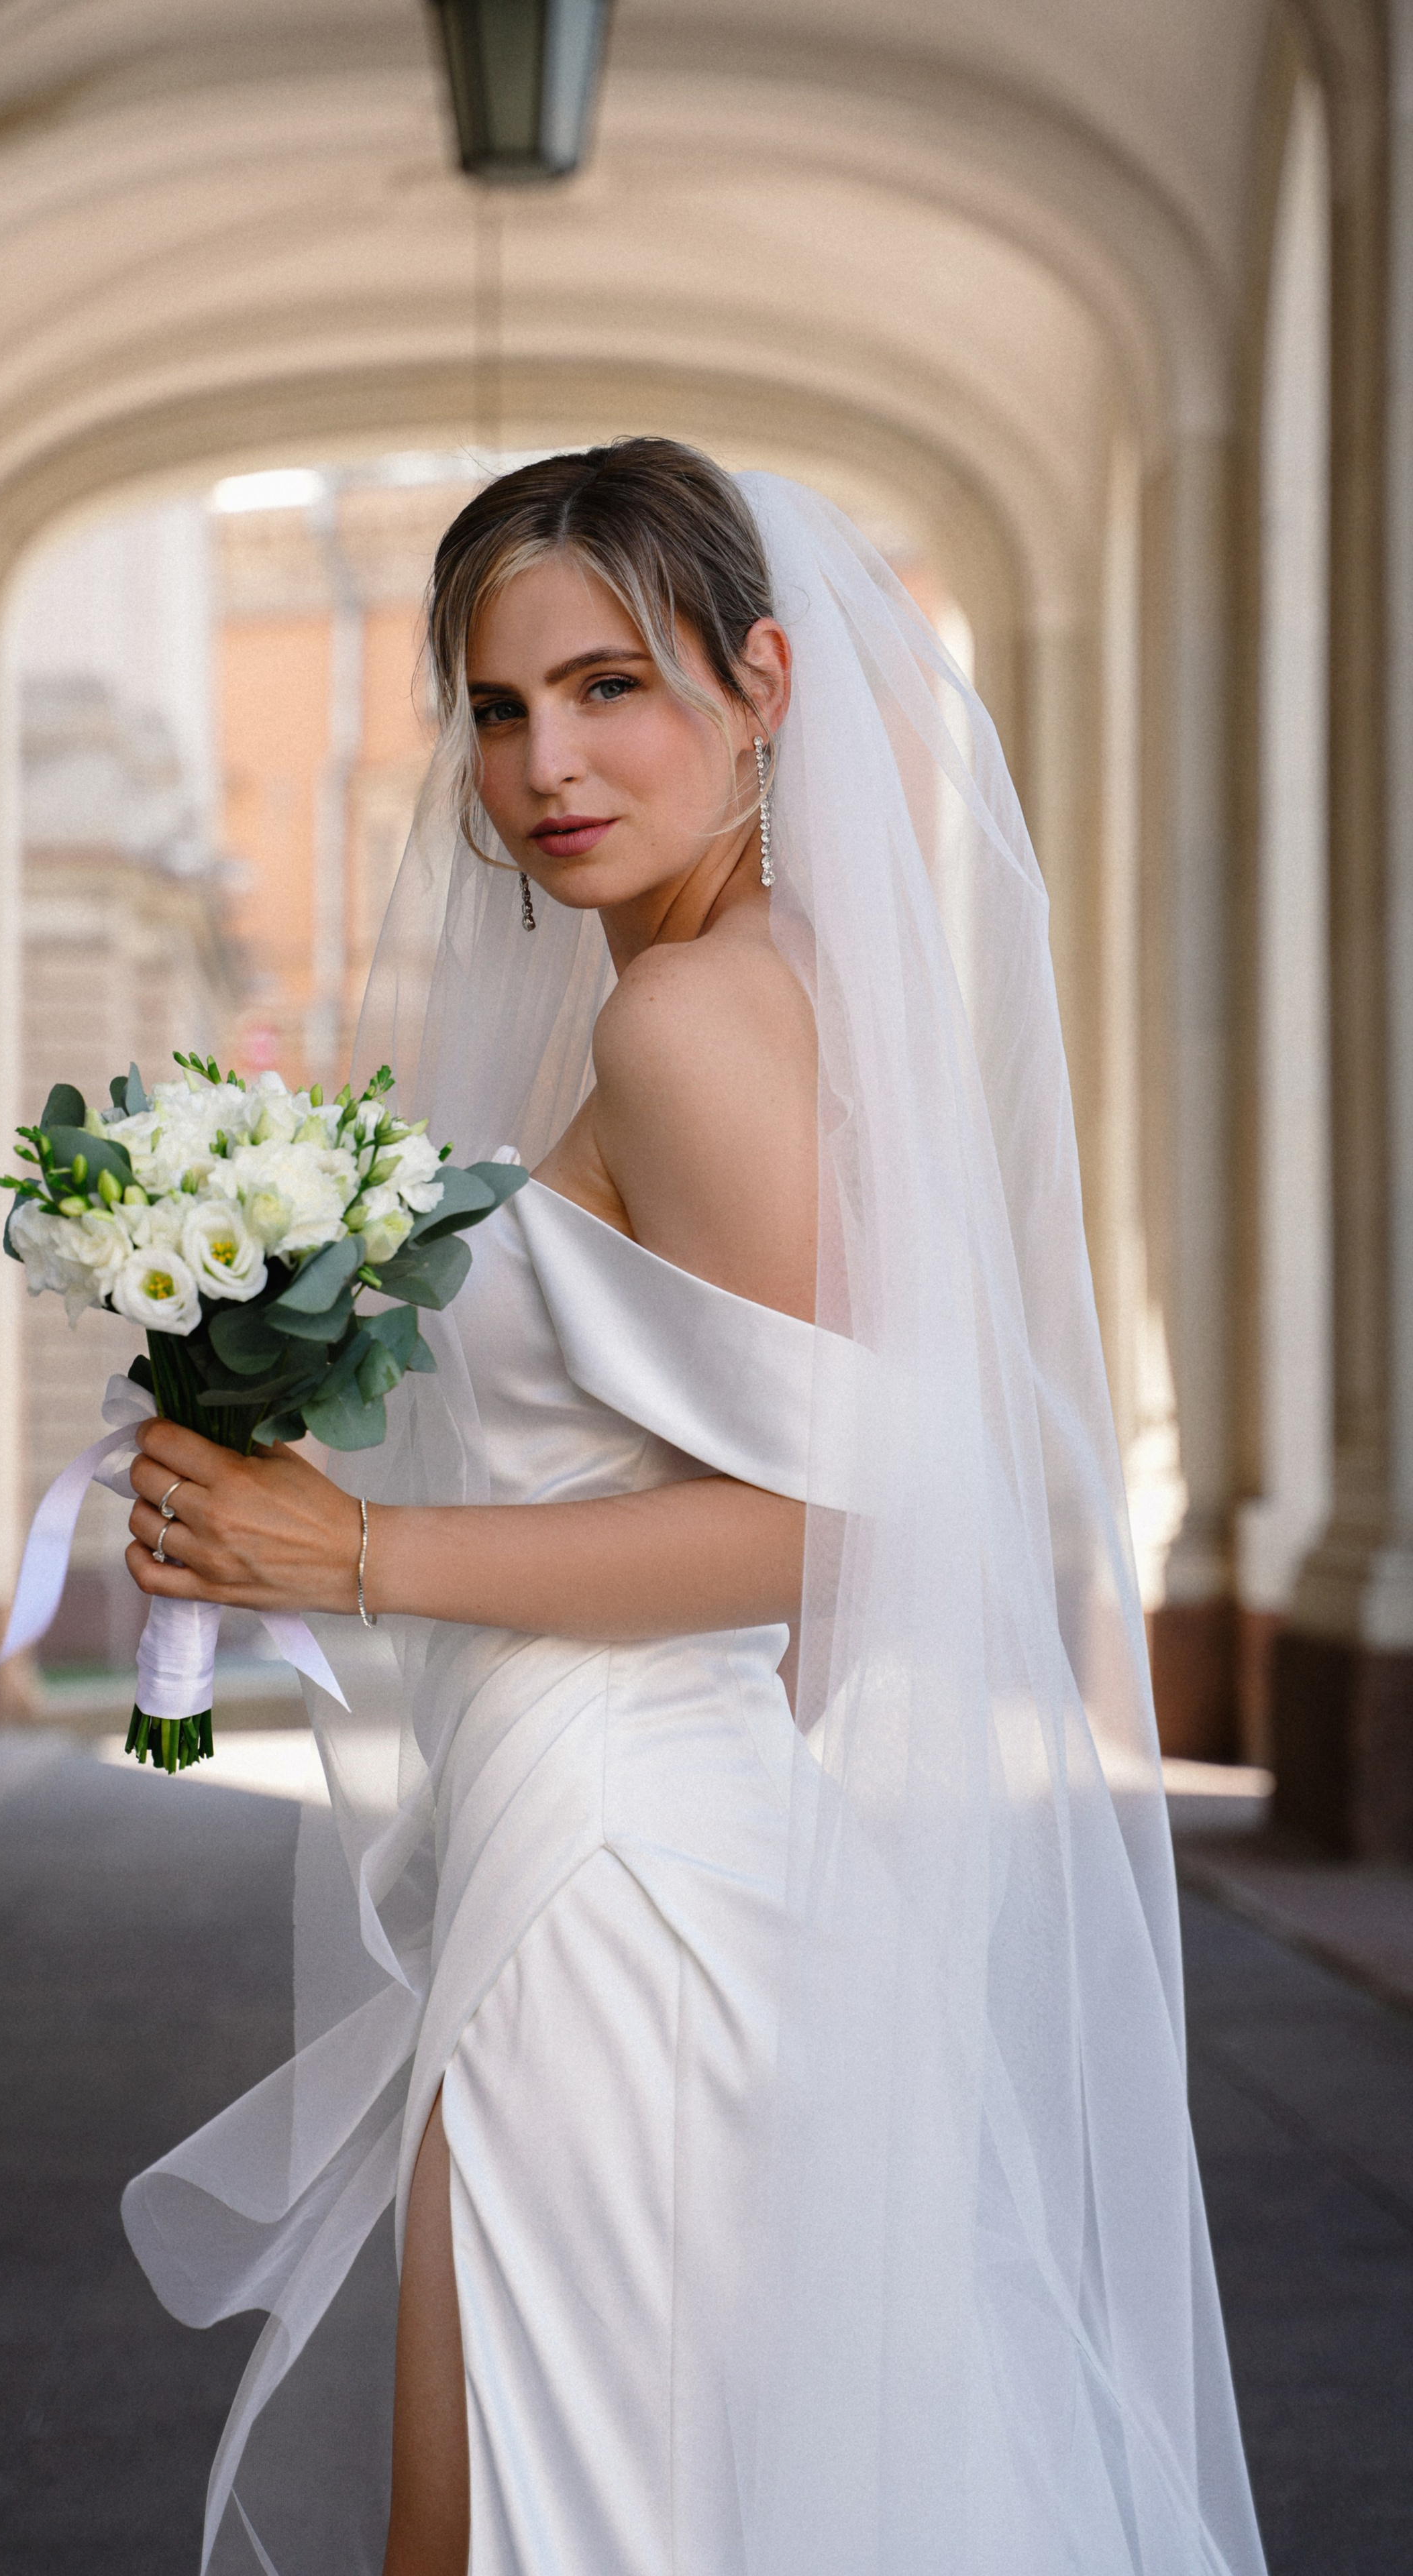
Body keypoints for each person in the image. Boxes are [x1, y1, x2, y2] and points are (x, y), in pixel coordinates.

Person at [118, 441, 1268, 2576]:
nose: (543, 765)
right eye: (496, 708)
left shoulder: (688, 1018)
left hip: (625, 1870)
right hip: (651, 1820)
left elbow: (846, 1524)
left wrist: (350, 1555)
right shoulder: (759, 982)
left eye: (607, 686)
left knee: (532, 2527)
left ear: (762, 686)